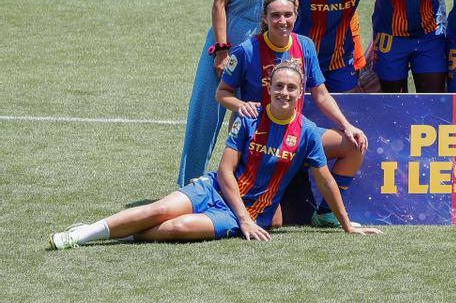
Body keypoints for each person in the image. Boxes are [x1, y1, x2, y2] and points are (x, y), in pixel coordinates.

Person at [51, 61, 379, 249]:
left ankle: (121, 233)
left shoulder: (307, 132)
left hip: (252, 211)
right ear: (269, 87)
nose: (284, 92)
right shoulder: (250, 118)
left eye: (292, 88)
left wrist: (347, 225)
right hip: (217, 191)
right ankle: (82, 234)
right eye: (279, 86)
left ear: (301, 90)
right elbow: (225, 172)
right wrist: (244, 219)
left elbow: (326, 183)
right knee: (162, 208)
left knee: (177, 228)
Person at [217, 0, 370, 228]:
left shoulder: (305, 46)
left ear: (296, 16)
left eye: (287, 15)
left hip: (294, 137)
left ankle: (326, 213)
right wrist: (240, 104)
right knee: (275, 222)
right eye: (275, 15)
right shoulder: (246, 50)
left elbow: (321, 95)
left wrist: (346, 125)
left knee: (355, 145)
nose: (282, 21)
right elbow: (222, 93)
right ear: (265, 18)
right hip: (259, 143)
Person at [178, 0, 298, 187]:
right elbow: (219, 3)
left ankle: (238, 188)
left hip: (263, 54)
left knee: (249, 122)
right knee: (205, 117)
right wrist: (221, 49)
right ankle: (187, 187)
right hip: (225, 46)